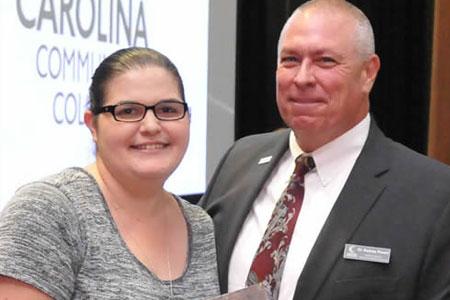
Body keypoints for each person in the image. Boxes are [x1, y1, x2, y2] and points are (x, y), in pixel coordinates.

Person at [200, 1, 450, 299]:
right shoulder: (239, 159)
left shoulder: (434, 195)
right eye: (290, 59)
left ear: (368, 73)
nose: (303, 78)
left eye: (325, 61)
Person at [0, 47, 220, 299]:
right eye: (128, 111)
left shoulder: (201, 226)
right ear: (92, 125)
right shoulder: (47, 211)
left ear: (188, 118)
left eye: (168, 110)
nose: (151, 126)